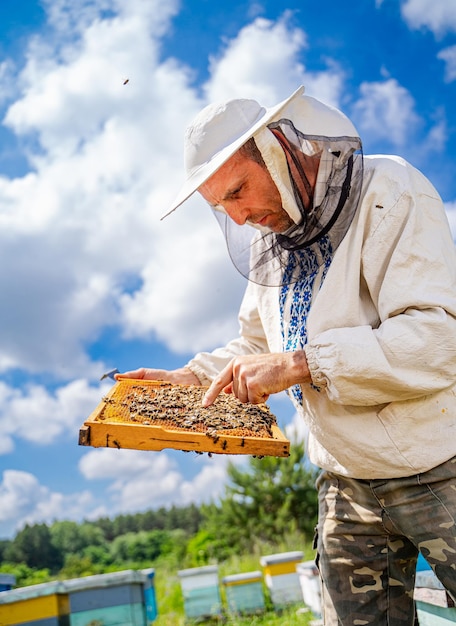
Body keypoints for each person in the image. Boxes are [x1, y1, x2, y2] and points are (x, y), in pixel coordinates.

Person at [118, 86, 456, 625]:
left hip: (436, 467)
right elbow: (258, 346)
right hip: (344, 482)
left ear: (280, 148)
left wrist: (303, 364)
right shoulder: (270, 240)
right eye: (222, 207)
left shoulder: (389, 189)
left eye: (238, 191)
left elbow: (438, 338)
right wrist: (190, 377)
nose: (241, 215)